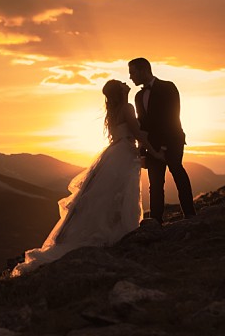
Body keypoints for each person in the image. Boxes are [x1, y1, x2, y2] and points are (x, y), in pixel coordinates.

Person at [12, 80, 144, 277]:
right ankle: (119, 232)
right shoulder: (127, 107)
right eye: (121, 83)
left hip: (114, 153)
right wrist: (152, 147)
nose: (126, 82)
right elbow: (136, 131)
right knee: (121, 192)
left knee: (106, 195)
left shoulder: (115, 110)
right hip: (124, 153)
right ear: (120, 90)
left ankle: (108, 231)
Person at [128, 57, 196, 224]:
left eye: (132, 72)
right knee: (155, 185)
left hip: (172, 141)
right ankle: (156, 222)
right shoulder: (138, 96)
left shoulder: (168, 87)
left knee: (178, 174)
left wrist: (164, 147)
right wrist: (143, 150)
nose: (130, 77)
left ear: (144, 70)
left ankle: (190, 215)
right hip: (152, 146)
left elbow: (171, 118)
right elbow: (142, 125)